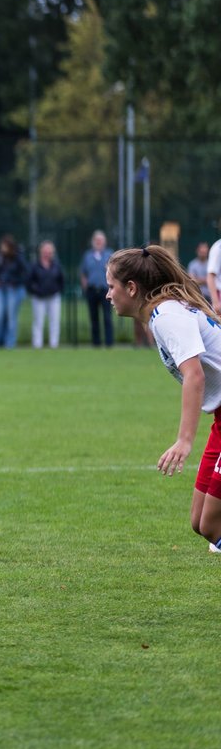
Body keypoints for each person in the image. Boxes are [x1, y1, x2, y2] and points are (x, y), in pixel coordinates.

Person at [106, 244, 221, 554]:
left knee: (212, 524)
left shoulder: (166, 315)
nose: (108, 295)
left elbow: (194, 375)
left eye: (111, 286)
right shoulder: (163, 313)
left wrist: (184, 441)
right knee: (200, 522)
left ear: (131, 288)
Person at [0, 235, 28, 349]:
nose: (2, 248)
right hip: (2, 289)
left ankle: (10, 344)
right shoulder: (1, 257)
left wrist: (14, 281)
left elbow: (25, 274)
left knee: (11, 317)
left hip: (13, 290)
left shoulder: (18, 257)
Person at [27, 240, 65, 349]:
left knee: (55, 321)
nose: (47, 254)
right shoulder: (35, 265)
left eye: (50, 251)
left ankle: (54, 344)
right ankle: (37, 345)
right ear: (41, 252)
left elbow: (61, 280)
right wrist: (35, 290)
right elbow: (29, 281)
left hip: (53, 297)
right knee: (38, 322)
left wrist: (57, 290)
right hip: (39, 298)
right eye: (45, 251)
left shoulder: (56, 265)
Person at [80, 230, 114, 347]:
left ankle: (109, 342)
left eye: (101, 240)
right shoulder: (88, 256)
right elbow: (83, 273)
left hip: (106, 290)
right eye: (97, 240)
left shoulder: (109, 254)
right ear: (93, 241)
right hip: (92, 290)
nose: (99, 242)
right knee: (94, 318)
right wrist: (85, 287)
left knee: (107, 317)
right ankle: (96, 343)